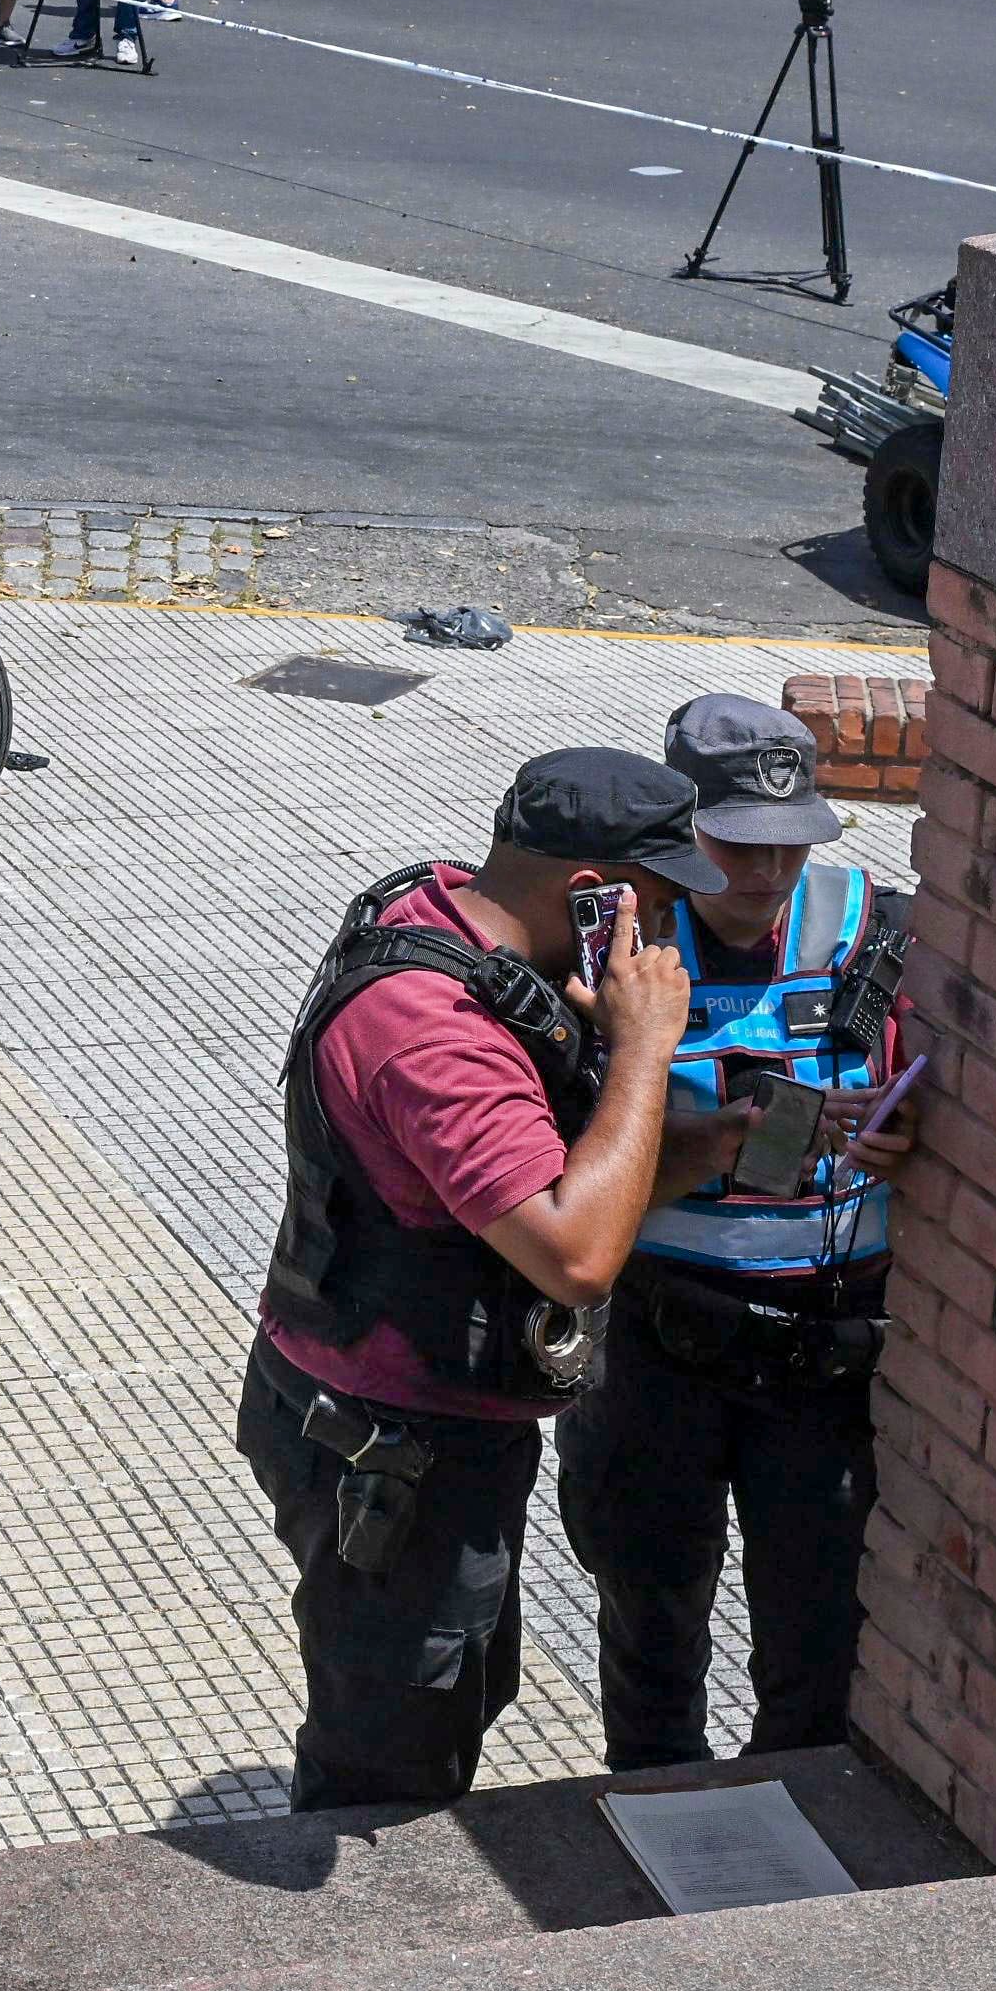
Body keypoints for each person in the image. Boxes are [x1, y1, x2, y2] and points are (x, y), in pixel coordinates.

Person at [237, 750, 709, 1810]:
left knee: (461, 1691)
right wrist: (642, 1050)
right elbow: (577, 1257)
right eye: (664, 905)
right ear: (596, 898)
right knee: (389, 1761)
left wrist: (707, 1146)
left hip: (406, 1421)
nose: (671, 938)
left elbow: (540, 1190)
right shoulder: (436, 1033)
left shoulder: (450, 910)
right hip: (390, 1448)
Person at [553, 697, 921, 1773]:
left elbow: (928, 1078)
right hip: (658, 1345)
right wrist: (709, 1144)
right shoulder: (606, 950)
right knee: (650, 1613)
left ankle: (794, 1839)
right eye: (736, 846)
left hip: (821, 1351)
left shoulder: (879, 927)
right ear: (682, 833)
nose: (765, 876)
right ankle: (658, 1802)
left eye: (790, 845)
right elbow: (561, 1165)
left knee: (817, 1636)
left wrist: (905, 1138)